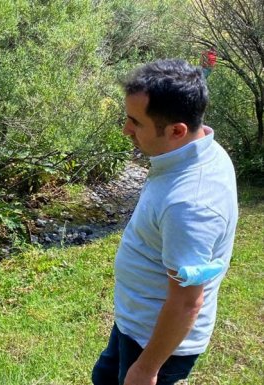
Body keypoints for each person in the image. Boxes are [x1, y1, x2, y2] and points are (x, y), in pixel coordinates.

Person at [92, 59, 238, 385]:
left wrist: (146, 369)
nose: (126, 130)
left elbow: (187, 301)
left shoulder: (190, 204)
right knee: (103, 376)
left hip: (155, 339)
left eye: (135, 122)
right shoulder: (199, 149)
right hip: (137, 321)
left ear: (176, 131)